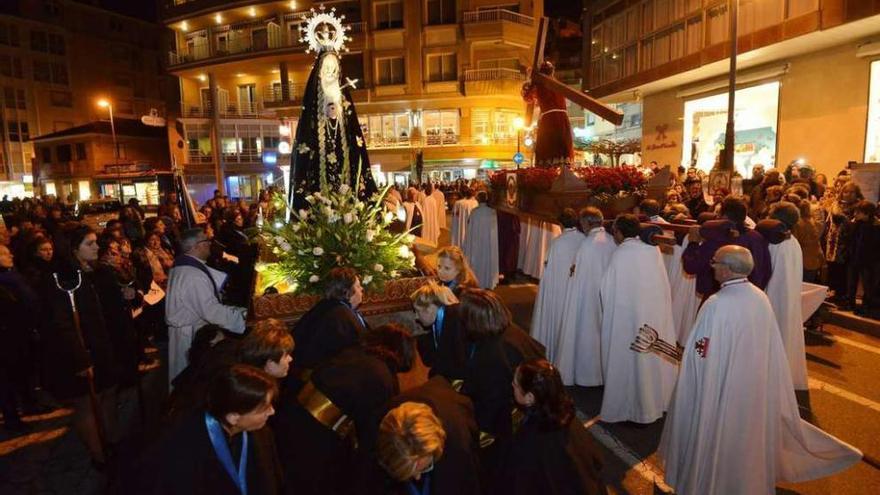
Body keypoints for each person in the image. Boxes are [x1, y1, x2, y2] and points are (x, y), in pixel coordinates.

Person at [658, 246, 861, 494]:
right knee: (744, 436)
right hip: (752, 385)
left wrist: (689, 357)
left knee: (716, 436)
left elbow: (702, 350)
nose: (712, 265)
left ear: (730, 268)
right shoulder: (759, 297)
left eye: (716, 261)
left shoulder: (716, 304)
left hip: (722, 385)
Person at [275, 324, 415, 495]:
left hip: (291, 417)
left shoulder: (355, 352)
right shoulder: (382, 376)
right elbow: (372, 434)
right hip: (317, 440)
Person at [134, 364, 283, 495]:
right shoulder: (181, 449)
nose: (272, 412)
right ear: (233, 417)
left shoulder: (262, 434)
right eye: (264, 408)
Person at [42, 226, 120, 468]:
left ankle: (109, 440)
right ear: (74, 249)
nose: (97, 247)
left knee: (108, 392)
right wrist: (81, 360)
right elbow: (62, 323)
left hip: (99, 346)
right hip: (79, 351)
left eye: (96, 242)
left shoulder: (91, 271)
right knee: (86, 403)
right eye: (90, 243)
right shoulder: (63, 278)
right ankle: (99, 455)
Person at [599, 214, 677, 424]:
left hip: (628, 317)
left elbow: (607, 288)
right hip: (653, 316)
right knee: (650, 360)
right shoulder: (652, 250)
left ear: (618, 232)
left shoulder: (622, 254)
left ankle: (629, 407)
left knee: (629, 362)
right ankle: (656, 402)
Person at [493, 359, 606, 495]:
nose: (512, 384)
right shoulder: (567, 418)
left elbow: (521, 483)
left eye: (516, 385)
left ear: (530, 397)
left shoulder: (532, 439)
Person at [288, 48, 377, 208]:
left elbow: (353, 132)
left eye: (333, 69)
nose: (330, 73)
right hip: (318, 165)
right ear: (320, 72)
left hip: (345, 162)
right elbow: (306, 138)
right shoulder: (313, 104)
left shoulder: (344, 100)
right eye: (326, 69)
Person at [166, 228, 247, 385]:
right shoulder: (191, 276)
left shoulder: (185, 267)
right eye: (207, 242)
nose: (210, 244)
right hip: (190, 336)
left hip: (190, 330)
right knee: (193, 380)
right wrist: (241, 317)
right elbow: (211, 312)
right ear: (196, 246)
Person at [376, 390, 481, 495]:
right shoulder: (382, 432)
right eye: (409, 473)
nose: (417, 477)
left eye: (426, 467)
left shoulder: (460, 445)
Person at [557, 207, 616, 386]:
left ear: (586, 223)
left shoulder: (587, 244)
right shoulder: (612, 240)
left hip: (586, 299)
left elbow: (577, 274)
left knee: (586, 334)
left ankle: (587, 375)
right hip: (608, 298)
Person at [683, 196, 772, 298]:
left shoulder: (717, 237)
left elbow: (691, 266)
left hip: (719, 297)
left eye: (718, 214)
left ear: (724, 216)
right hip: (751, 298)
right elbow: (766, 271)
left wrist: (693, 243)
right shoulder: (757, 238)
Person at [288, 267, 367, 383]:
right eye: (358, 286)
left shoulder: (327, 306)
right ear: (347, 291)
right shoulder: (341, 316)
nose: (362, 289)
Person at [531, 209, 584, 366]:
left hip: (558, 292)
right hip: (576, 291)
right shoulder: (584, 239)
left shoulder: (558, 243)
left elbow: (548, 268)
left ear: (560, 224)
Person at [764, 203, 808, 390]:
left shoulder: (775, 243)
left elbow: (767, 271)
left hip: (773, 296)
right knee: (786, 333)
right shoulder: (793, 242)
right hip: (788, 298)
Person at [521, 60, 574, 168]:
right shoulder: (557, 84)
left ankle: (547, 173)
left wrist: (529, 81)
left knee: (547, 148)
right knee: (562, 147)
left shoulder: (539, 85)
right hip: (563, 120)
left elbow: (527, 98)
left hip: (549, 120)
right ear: (552, 72)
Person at [411, 281, 466, 371]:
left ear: (431, 308)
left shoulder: (454, 322)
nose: (416, 317)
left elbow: (457, 362)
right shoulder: (445, 318)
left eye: (418, 311)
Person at [463, 191, 500, 289]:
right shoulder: (492, 212)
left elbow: (469, 228)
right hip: (488, 244)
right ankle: (487, 281)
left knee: (477, 262)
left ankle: (477, 281)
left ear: (478, 199)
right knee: (487, 260)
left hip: (477, 244)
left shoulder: (475, 212)